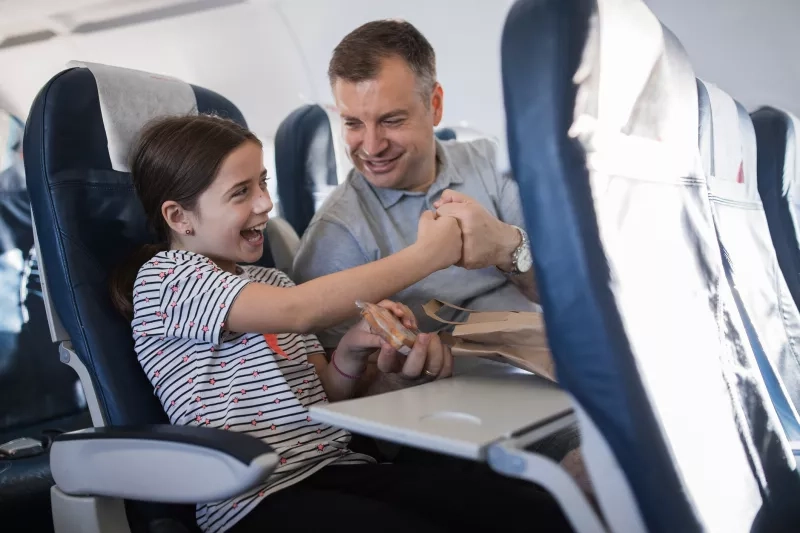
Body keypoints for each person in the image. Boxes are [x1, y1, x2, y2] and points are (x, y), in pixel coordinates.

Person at [109, 114, 573, 533]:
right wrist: (429, 255)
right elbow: (299, 311)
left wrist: (353, 349)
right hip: (252, 498)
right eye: (241, 192)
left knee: (525, 508)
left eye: (263, 183)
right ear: (179, 217)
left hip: (334, 465)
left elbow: (324, 392)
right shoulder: (167, 278)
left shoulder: (269, 278)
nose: (265, 204)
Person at [292, 19, 538, 352]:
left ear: (434, 105)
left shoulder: (490, 162)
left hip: (547, 354)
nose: (371, 146)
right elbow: (341, 381)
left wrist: (507, 247)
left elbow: (569, 293)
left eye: (391, 121)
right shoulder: (335, 235)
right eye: (353, 123)